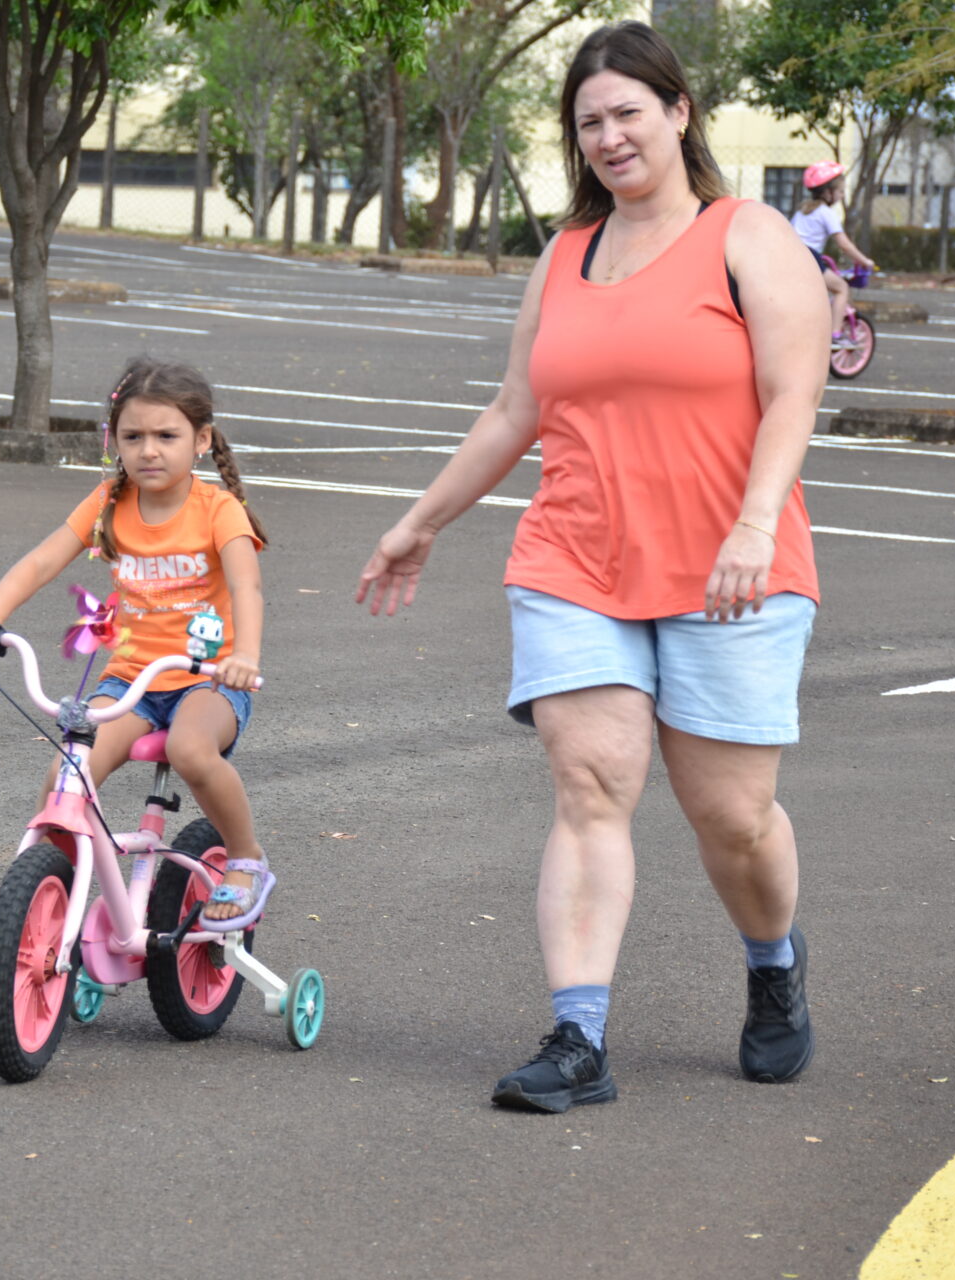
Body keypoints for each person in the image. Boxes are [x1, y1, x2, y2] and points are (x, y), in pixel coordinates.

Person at [354, 21, 827, 1113]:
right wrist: (421, 522)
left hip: (728, 567)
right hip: (574, 555)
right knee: (590, 786)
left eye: (628, 113)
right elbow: (515, 408)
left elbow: (793, 393)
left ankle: (772, 963)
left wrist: (756, 525)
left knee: (732, 816)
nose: (610, 137)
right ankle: (579, 1036)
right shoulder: (566, 254)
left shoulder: (748, 236)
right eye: (589, 122)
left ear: (678, 111)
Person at [0, 357, 275, 927]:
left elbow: (248, 586)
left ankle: (246, 859)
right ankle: (50, 895)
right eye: (133, 436)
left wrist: (245, 657)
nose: (149, 450)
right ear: (113, 441)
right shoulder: (108, 502)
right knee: (68, 771)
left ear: (201, 440)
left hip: (209, 679)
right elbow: (42, 560)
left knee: (190, 750)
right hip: (130, 682)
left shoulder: (218, 510)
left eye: (166, 436)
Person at [793, 160, 877, 350]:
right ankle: (835, 335)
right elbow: (843, 244)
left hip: (791, 256)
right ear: (827, 192)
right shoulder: (826, 213)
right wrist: (864, 261)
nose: (842, 195)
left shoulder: (802, 211)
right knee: (841, 288)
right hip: (809, 258)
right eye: (840, 191)